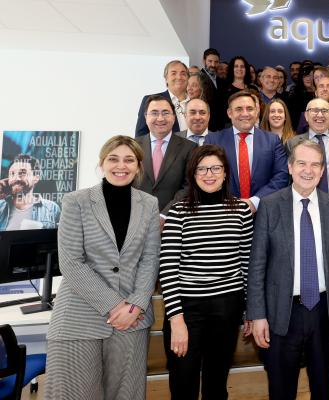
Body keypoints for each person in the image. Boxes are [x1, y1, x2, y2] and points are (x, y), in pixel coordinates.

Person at [44, 135, 160, 400]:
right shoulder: (76, 201)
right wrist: (115, 305)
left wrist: (136, 305)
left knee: (127, 395)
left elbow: (150, 258)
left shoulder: (149, 204)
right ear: (102, 163)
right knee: (74, 394)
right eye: (113, 159)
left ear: (138, 166)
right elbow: (71, 262)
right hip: (79, 315)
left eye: (129, 160)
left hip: (131, 320)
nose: (121, 166)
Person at [247, 139, 329, 400]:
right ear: (290, 167)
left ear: (322, 170)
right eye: (302, 163)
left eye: (315, 165)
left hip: (325, 311)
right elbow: (257, 265)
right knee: (281, 391)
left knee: (323, 389)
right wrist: (257, 314)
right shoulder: (270, 206)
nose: (308, 170)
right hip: (282, 313)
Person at [159, 145, 254, 400]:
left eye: (215, 168)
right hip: (187, 310)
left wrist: (248, 309)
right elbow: (167, 268)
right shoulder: (178, 212)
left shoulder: (241, 211)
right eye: (201, 169)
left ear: (225, 173)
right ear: (193, 174)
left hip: (227, 307)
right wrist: (176, 320)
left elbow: (246, 264)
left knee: (216, 384)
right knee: (183, 383)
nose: (208, 174)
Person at [203, 90, 288, 214]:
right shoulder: (213, 140)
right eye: (239, 109)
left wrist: (255, 201)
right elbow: (206, 175)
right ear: (229, 113)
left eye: (250, 109)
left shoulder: (272, 140)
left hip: (264, 211)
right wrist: (231, 203)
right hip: (224, 211)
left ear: (257, 111)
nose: (245, 113)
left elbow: (282, 175)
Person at [136, 94, 196, 216]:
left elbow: (189, 186)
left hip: (174, 218)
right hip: (137, 217)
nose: (160, 118)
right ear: (146, 117)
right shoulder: (133, 146)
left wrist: (165, 215)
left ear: (174, 117)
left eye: (165, 113)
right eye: (154, 113)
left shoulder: (190, 148)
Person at [286, 98, 329, 201]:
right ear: (306, 116)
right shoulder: (292, 143)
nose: (320, 115)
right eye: (315, 110)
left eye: (324, 111)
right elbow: (288, 180)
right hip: (303, 205)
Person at [0, 154, 61, 230]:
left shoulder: (52, 209)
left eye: (22, 173)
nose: (16, 178)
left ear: (36, 178)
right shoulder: (1, 206)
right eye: (12, 173)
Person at [135, 60, 188, 137]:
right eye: (173, 73)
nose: (179, 77)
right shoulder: (151, 101)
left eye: (183, 74)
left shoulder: (196, 102)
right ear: (166, 78)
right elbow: (140, 136)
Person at [199, 48, 226, 131]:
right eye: (210, 61)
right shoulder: (198, 78)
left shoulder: (221, 81)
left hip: (220, 126)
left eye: (216, 62)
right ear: (204, 61)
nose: (213, 65)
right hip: (205, 125)